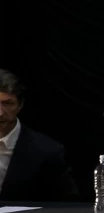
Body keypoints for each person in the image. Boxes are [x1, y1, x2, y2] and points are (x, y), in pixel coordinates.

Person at [0, 69, 76, 202]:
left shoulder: (47, 151)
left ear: (20, 105)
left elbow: (66, 204)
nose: (0, 113)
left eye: (8, 103)